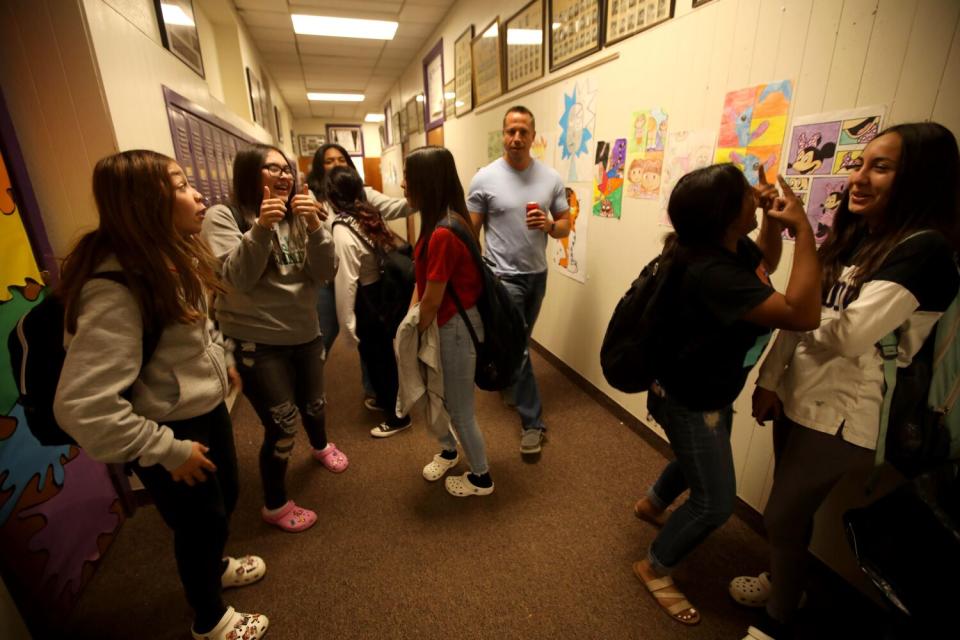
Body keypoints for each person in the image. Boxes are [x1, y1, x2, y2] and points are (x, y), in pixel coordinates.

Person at [731, 123, 960, 640]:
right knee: (791, 516)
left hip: (843, 415)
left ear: (921, 178)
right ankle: (785, 582)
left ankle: (779, 622)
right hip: (797, 396)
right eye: (860, 164)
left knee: (782, 516)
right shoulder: (860, 236)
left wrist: (805, 243)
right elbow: (800, 316)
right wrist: (770, 379)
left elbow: (843, 336)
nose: (859, 178)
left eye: (880, 167)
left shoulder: (925, 252)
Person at [53, 150, 269, 639]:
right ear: (144, 202)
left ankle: (213, 569)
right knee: (198, 525)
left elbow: (198, 326)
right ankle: (210, 620)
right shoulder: (116, 286)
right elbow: (82, 404)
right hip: (167, 430)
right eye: (179, 185)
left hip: (203, 409)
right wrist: (167, 451)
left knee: (222, 503)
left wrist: (224, 360)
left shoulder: (169, 258)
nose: (197, 194)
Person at [631, 164, 822, 626]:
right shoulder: (712, 272)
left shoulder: (722, 250)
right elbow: (802, 313)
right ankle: (655, 565)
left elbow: (765, 266)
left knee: (698, 455)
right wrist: (806, 233)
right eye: (746, 195)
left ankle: (652, 503)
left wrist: (773, 225)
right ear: (726, 213)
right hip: (693, 398)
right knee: (716, 503)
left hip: (699, 390)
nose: (755, 196)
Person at [201, 144, 340, 534]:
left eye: (288, 170)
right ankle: (275, 504)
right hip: (257, 343)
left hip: (306, 333)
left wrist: (315, 228)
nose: (284, 176)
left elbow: (326, 271)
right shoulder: (224, 216)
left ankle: (321, 446)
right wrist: (261, 228)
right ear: (249, 173)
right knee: (282, 425)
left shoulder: (301, 214)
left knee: (315, 404)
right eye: (272, 168)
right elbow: (236, 279)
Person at [467, 105, 571, 456]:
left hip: (537, 275)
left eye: (523, 131)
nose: (516, 138)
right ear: (503, 134)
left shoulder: (551, 179)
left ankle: (508, 380)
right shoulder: (485, 178)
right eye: (510, 131)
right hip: (501, 276)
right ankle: (532, 423)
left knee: (520, 339)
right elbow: (471, 232)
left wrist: (549, 225)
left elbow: (564, 227)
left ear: (532, 135)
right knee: (522, 348)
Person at [404, 145, 494, 496]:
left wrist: (410, 335)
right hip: (444, 323)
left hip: (455, 328)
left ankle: (481, 478)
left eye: (409, 178)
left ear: (427, 182)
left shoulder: (444, 231)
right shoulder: (440, 221)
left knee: (459, 409)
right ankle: (449, 450)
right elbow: (422, 282)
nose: (404, 186)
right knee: (435, 396)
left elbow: (432, 300)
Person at [307, 143, 411, 412]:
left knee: (372, 343)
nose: (337, 164)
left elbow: (398, 208)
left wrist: (423, 192)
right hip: (329, 281)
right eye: (329, 161)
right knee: (324, 335)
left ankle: (377, 391)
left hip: (360, 282)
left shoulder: (360, 196)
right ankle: (309, 389)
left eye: (341, 159)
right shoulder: (312, 199)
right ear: (320, 168)